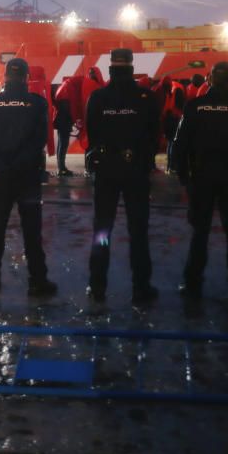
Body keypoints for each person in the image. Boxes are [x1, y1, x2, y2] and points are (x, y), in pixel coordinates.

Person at [171, 60, 228, 299]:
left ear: (210, 79)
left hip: (202, 178)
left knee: (200, 232)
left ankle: (192, 283)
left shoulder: (194, 107)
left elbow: (180, 146)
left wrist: (183, 177)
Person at [0, 57, 57, 296]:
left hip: (0, 177)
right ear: (27, 78)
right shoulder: (37, 104)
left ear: (5, 77)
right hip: (28, 177)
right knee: (32, 230)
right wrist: (19, 162)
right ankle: (37, 280)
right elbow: (39, 139)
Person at [84, 49, 161, 304]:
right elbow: (154, 135)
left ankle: (97, 286)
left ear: (110, 69)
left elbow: (92, 134)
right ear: (131, 67)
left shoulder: (98, 97)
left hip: (106, 171)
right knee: (138, 230)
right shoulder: (146, 97)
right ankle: (141, 287)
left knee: (102, 229)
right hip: (136, 172)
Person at [52, 75, 77, 176]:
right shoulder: (67, 95)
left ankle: (61, 166)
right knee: (63, 144)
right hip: (64, 122)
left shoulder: (61, 91)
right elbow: (69, 110)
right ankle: (61, 168)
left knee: (61, 143)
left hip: (60, 121)